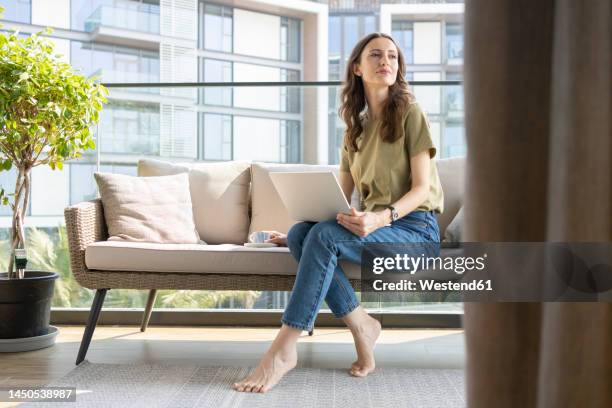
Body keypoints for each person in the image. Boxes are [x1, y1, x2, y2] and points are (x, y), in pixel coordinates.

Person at [232, 32, 444, 393]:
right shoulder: (355, 129)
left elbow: (421, 189)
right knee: (303, 233)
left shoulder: (411, 113)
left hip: (416, 231)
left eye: (393, 56)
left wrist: (379, 217)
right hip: (377, 229)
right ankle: (362, 324)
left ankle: (284, 348)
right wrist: (304, 226)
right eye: (376, 55)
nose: (386, 62)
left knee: (323, 236)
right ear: (358, 68)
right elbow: (340, 199)